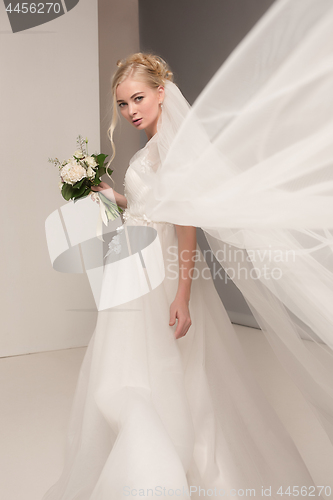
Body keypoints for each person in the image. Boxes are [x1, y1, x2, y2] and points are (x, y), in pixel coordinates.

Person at [43, 1, 333, 497]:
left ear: (161, 93)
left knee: (157, 372)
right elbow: (147, 204)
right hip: (134, 270)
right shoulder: (153, 148)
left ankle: (161, 469)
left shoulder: (173, 151)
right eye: (122, 104)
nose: (131, 111)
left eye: (138, 98)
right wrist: (109, 193)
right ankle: (148, 457)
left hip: (161, 273)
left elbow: (185, 226)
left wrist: (181, 295)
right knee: (128, 370)